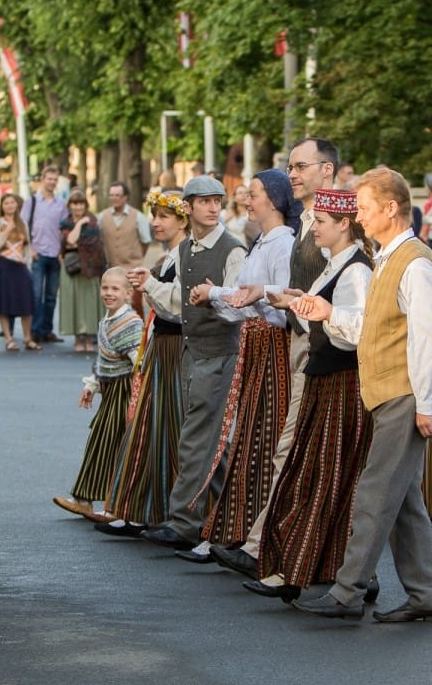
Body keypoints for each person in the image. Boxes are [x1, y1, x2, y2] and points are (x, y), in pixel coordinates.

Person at [290, 168, 432, 622]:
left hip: (403, 393)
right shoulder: (388, 257)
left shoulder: (414, 262)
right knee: (403, 503)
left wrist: (426, 403)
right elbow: (375, 329)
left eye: (362, 209)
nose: (358, 218)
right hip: (393, 392)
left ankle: (347, 592)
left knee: (375, 494)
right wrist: (328, 313)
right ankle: (427, 596)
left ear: (391, 208)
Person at [207, 138, 336, 579]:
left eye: (301, 166)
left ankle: (269, 546)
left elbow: (315, 297)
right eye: (291, 167)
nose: (294, 173)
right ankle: (264, 543)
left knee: (291, 450)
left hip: (306, 349)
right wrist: (238, 296)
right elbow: (295, 294)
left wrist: (262, 297)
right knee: (289, 451)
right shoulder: (301, 232)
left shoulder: (308, 234)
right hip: (300, 345)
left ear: (327, 171)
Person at [240, 187, 374, 601]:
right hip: (325, 377)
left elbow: (357, 328)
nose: (313, 227)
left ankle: (323, 570)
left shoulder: (356, 269)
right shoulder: (337, 264)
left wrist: (321, 311)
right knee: (318, 474)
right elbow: (324, 306)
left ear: (343, 224)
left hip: (341, 381)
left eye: (320, 222)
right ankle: (321, 568)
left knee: (327, 477)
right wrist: (292, 299)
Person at [188, 169, 298, 560]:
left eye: (253, 194)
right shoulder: (265, 241)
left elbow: (282, 306)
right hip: (255, 345)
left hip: (270, 349)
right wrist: (216, 296)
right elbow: (244, 303)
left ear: (273, 200)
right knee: (249, 439)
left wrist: (218, 293)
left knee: (263, 440)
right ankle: (237, 531)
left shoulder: (282, 244)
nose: (246, 201)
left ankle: (257, 538)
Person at [138, 175, 246, 551]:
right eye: (204, 201)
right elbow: (176, 303)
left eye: (217, 200)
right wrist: (149, 285)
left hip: (219, 352)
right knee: (209, 438)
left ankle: (185, 522)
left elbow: (239, 306)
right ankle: (236, 515)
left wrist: (213, 296)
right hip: (192, 350)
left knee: (198, 437)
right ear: (188, 207)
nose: (213, 207)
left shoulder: (233, 250)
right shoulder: (186, 250)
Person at [100, 190, 190, 536]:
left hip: (175, 347)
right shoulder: (169, 256)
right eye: (154, 215)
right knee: (148, 426)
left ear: (182, 220)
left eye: (164, 216)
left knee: (172, 428)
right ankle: (138, 508)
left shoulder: (185, 255)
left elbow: (179, 307)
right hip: (160, 345)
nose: (156, 222)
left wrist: (149, 284)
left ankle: (174, 513)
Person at [53, 268, 145, 520]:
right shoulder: (106, 320)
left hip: (125, 391)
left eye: (115, 289)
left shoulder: (130, 323)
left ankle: (112, 504)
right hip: (111, 389)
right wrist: (92, 385)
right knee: (100, 442)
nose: (108, 293)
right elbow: (103, 359)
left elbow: (139, 361)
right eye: (105, 287)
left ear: (128, 293)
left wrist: (140, 394)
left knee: (114, 444)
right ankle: (85, 498)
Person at [20, 165, 69, 344]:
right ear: (42, 179)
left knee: (50, 295)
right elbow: (23, 226)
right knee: (35, 294)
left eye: (55, 179)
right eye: (49, 178)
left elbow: (65, 229)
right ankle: (34, 330)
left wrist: (62, 251)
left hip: (55, 253)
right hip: (38, 253)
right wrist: (29, 248)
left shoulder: (61, 204)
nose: (52, 182)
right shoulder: (31, 202)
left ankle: (47, 330)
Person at [0, 192, 42, 351]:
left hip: (20, 266)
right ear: (2, 206)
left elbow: (27, 246)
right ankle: (9, 338)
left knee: (26, 303)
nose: (10, 206)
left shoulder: (23, 223)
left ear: (17, 205)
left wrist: (28, 264)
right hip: (4, 265)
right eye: (6, 203)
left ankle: (28, 338)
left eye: (12, 202)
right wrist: (6, 231)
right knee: (4, 303)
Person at [59, 188, 106, 352]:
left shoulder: (93, 221)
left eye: (80, 204)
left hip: (90, 266)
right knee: (74, 301)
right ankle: (78, 338)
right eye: (74, 204)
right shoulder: (65, 223)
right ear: (70, 206)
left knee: (90, 301)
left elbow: (94, 243)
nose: (78, 207)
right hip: (71, 266)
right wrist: (79, 223)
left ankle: (88, 338)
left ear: (85, 205)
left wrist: (77, 244)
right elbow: (70, 240)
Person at [99, 181, 152, 272]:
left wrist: (135, 259)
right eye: (111, 195)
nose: (114, 198)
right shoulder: (102, 216)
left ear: (125, 197)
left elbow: (145, 242)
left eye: (117, 195)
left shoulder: (138, 216)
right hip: (110, 270)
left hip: (132, 270)